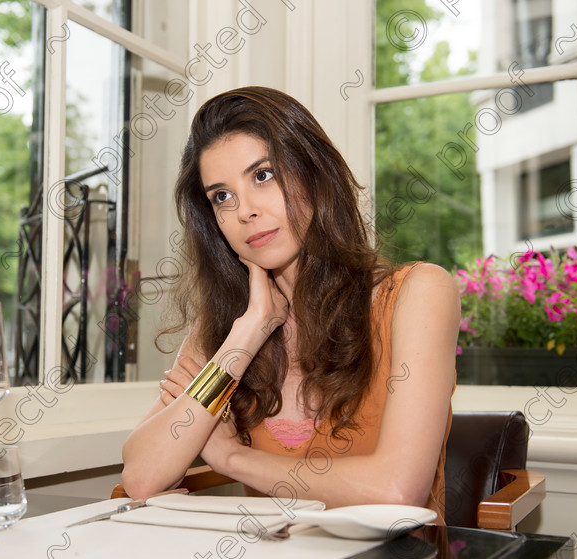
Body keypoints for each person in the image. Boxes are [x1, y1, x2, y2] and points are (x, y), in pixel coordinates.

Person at [121, 86, 459, 523]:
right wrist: (250, 330)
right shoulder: (229, 327)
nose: (244, 211)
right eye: (222, 196)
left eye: (263, 175)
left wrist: (232, 459)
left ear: (315, 175)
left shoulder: (418, 293)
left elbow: (396, 492)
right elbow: (142, 477)